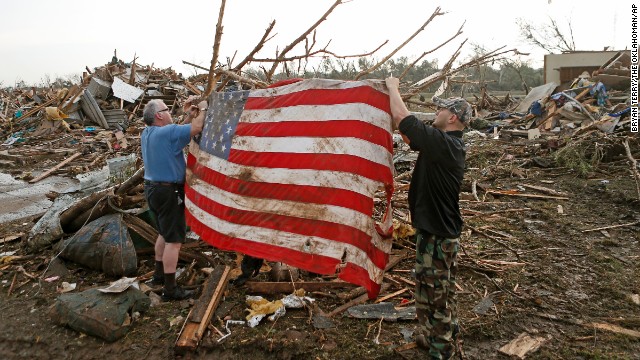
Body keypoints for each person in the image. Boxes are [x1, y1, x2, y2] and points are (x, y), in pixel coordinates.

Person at [385, 77, 471, 359]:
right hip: (433, 232)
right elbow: (409, 133)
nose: (436, 113)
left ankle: (441, 350)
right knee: (433, 291)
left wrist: (393, 87)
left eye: (441, 110)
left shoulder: (446, 145)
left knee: (436, 298)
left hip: (438, 236)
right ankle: (441, 336)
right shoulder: (442, 144)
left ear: (452, 117)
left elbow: (405, 120)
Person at [141, 96, 207, 301]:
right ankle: (170, 290)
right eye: (167, 109)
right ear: (159, 115)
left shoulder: (147, 133)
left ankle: (158, 277)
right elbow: (196, 128)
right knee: (174, 241)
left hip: (152, 190)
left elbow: (178, 132)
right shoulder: (167, 133)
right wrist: (203, 108)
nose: (170, 111)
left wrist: (187, 113)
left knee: (163, 232)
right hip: (168, 192)